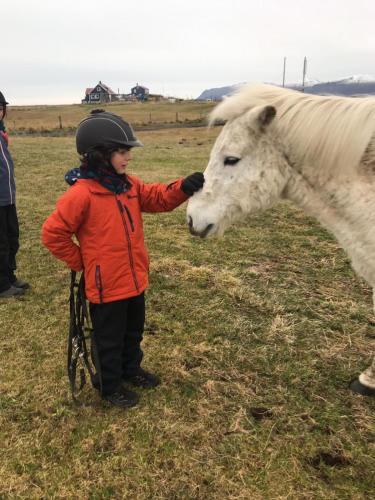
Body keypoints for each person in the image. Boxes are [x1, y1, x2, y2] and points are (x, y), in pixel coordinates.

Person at [42, 109, 204, 408]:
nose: (127, 158)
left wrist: (182, 187)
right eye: (121, 151)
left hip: (134, 279)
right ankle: (109, 385)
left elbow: (156, 198)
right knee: (109, 340)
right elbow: (53, 233)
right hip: (106, 288)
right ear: (98, 155)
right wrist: (82, 262)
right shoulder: (81, 195)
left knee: (133, 331)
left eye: (128, 151)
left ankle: (131, 370)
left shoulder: (129, 186)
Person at [0, 91, 29, 298]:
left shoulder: (2, 135)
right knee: (1, 242)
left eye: (1, 108)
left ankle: (9, 276)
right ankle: (1, 285)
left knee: (12, 238)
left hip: (8, 197)